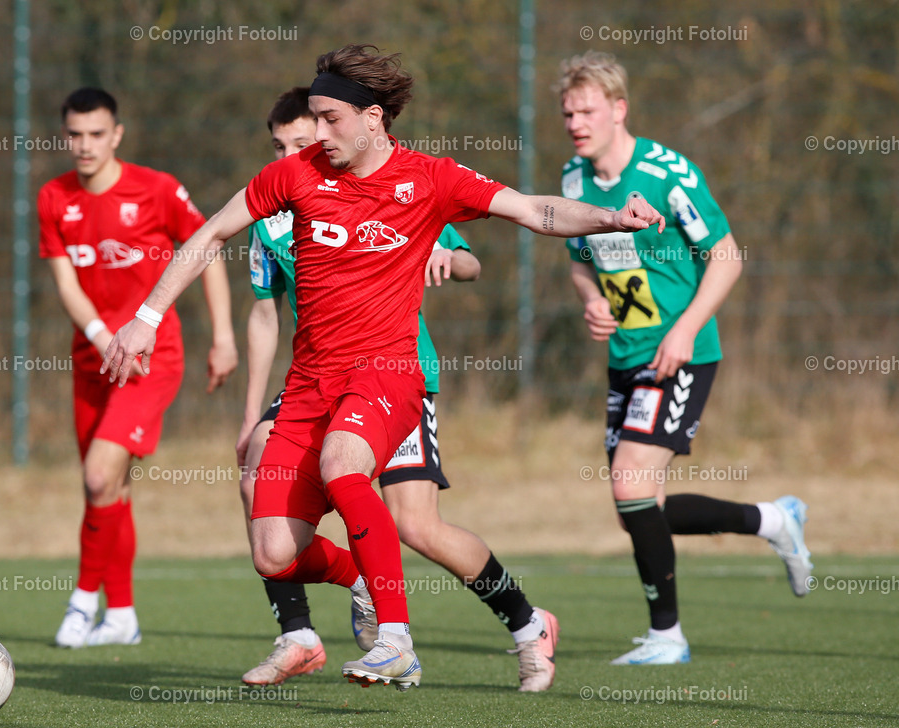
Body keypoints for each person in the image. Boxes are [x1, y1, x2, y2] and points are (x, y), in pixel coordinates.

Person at [102, 44, 664, 690]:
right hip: (310, 384)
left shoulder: (429, 180)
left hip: (389, 372)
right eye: (312, 117)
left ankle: (398, 639)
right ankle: (377, 582)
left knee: (362, 478)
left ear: (374, 118)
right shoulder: (294, 176)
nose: (317, 133)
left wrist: (611, 217)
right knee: (273, 551)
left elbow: (535, 209)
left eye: (330, 118)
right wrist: (145, 317)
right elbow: (209, 235)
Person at [235, 88, 557, 692]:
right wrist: (252, 411)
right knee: (259, 468)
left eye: (305, 139)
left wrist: (441, 252)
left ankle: (527, 623)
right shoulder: (276, 212)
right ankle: (303, 630)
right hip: (314, 378)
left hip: (393, 372)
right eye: (281, 145)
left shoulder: (397, 184)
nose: (297, 152)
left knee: (418, 527)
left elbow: (469, 261)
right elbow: (263, 314)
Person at [557, 51, 813, 665]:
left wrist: (685, 330)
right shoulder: (572, 179)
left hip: (682, 353)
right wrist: (592, 300)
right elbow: (578, 259)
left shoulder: (667, 174)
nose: (575, 122)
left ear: (619, 110)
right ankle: (772, 521)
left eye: (587, 110)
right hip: (627, 355)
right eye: (567, 112)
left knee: (629, 486)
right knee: (639, 508)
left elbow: (727, 255)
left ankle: (667, 638)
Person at [38, 87, 238, 648]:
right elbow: (67, 286)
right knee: (106, 490)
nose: (85, 145)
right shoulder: (53, 197)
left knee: (100, 475)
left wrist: (223, 335)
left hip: (152, 360)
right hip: (91, 362)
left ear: (117, 135)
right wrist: (103, 338)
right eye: (74, 134)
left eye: (96, 133)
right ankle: (121, 616)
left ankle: (82, 603)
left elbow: (208, 247)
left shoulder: (156, 189)